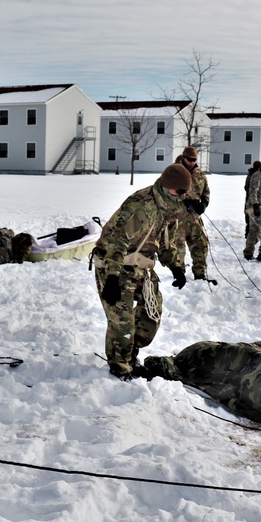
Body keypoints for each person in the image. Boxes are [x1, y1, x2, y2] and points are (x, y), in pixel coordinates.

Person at [92, 164, 191, 380]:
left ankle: (130, 354)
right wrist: (111, 277)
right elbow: (115, 241)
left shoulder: (170, 210)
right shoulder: (141, 206)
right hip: (115, 266)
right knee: (123, 322)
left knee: (151, 317)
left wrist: (176, 267)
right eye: (179, 192)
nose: (183, 196)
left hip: (142, 267)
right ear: (167, 187)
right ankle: (120, 367)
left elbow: (166, 243)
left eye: (185, 192)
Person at [174, 147, 214, 282]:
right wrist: (184, 202)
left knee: (201, 245)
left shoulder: (199, 174)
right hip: (177, 218)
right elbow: (165, 192)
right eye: (190, 160)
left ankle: (200, 274)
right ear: (184, 157)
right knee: (177, 249)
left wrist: (203, 204)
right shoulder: (174, 172)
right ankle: (179, 276)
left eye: (194, 160)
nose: (192, 162)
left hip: (194, 218)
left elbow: (206, 192)